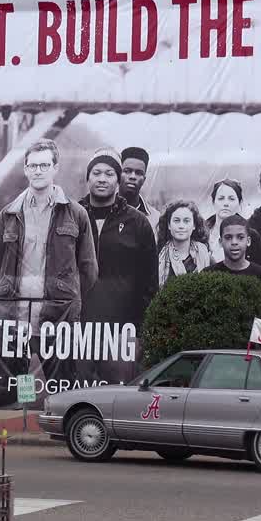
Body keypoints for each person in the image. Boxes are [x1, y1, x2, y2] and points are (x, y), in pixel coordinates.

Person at [0, 138, 97, 407]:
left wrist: (67, 297)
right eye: (33, 165)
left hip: (57, 316)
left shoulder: (76, 214)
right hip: (15, 316)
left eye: (44, 165)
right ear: (25, 169)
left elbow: (89, 268)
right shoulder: (8, 214)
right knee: (14, 390)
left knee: (62, 389)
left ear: (55, 168)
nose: (38, 171)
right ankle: (21, 426)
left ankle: (56, 432)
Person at [78, 148, 159, 383]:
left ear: (118, 180)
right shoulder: (72, 215)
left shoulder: (138, 223)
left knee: (116, 394)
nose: (102, 179)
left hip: (122, 328)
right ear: (88, 177)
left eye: (109, 174)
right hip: (79, 326)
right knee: (76, 392)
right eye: (96, 173)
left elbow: (149, 283)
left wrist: (140, 329)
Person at [208, 215, 261, 291]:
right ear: (220, 242)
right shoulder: (208, 275)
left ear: (248, 241)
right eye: (228, 237)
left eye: (240, 237)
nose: (234, 242)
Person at [156, 200, 212, 288]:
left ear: (194, 225)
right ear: (169, 225)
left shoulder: (206, 255)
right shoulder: (158, 257)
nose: (181, 226)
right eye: (176, 220)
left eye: (186, 221)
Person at [119, 146, 157, 225]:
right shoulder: (104, 211)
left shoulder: (156, 218)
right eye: (127, 171)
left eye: (139, 173)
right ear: (118, 174)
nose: (133, 177)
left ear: (144, 179)